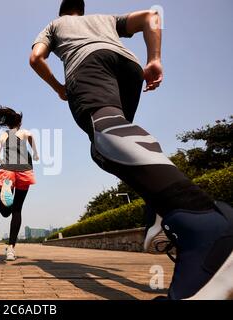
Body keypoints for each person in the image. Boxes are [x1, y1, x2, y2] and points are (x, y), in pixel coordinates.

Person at [29, 0, 233, 300]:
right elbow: (150, 16)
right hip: (128, 65)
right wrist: (155, 59)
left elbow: (35, 58)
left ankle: (206, 224)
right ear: (81, 9)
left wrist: (59, 87)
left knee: (107, 135)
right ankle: (159, 215)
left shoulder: (55, 25)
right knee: (115, 140)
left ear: (62, 10)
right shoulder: (104, 19)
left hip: (87, 64)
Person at [0, 105, 39, 261]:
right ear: (20, 122)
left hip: (7, 170)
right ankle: (11, 248)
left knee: (5, 212)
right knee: (17, 210)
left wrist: (1, 161)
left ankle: (4, 197)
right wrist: (36, 154)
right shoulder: (25, 132)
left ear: (7, 124)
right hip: (24, 171)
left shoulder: (4, 135)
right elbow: (31, 137)